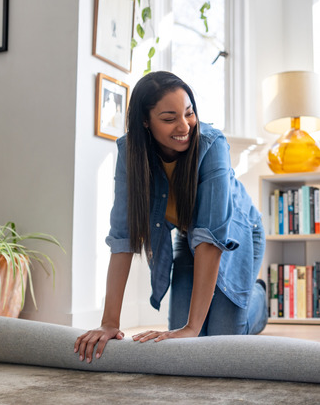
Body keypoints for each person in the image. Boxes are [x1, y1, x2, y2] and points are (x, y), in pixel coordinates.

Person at [75, 71, 268, 363]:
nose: (184, 126)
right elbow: (123, 238)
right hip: (188, 236)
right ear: (145, 121)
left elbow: (211, 240)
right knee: (183, 344)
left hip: (234, 235)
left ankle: (258, 299)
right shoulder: (131, 152)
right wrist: (109, 323)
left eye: (189, 113)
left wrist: (192, 328)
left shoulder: (212, 144)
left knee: (220, 341)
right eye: (169, 118)